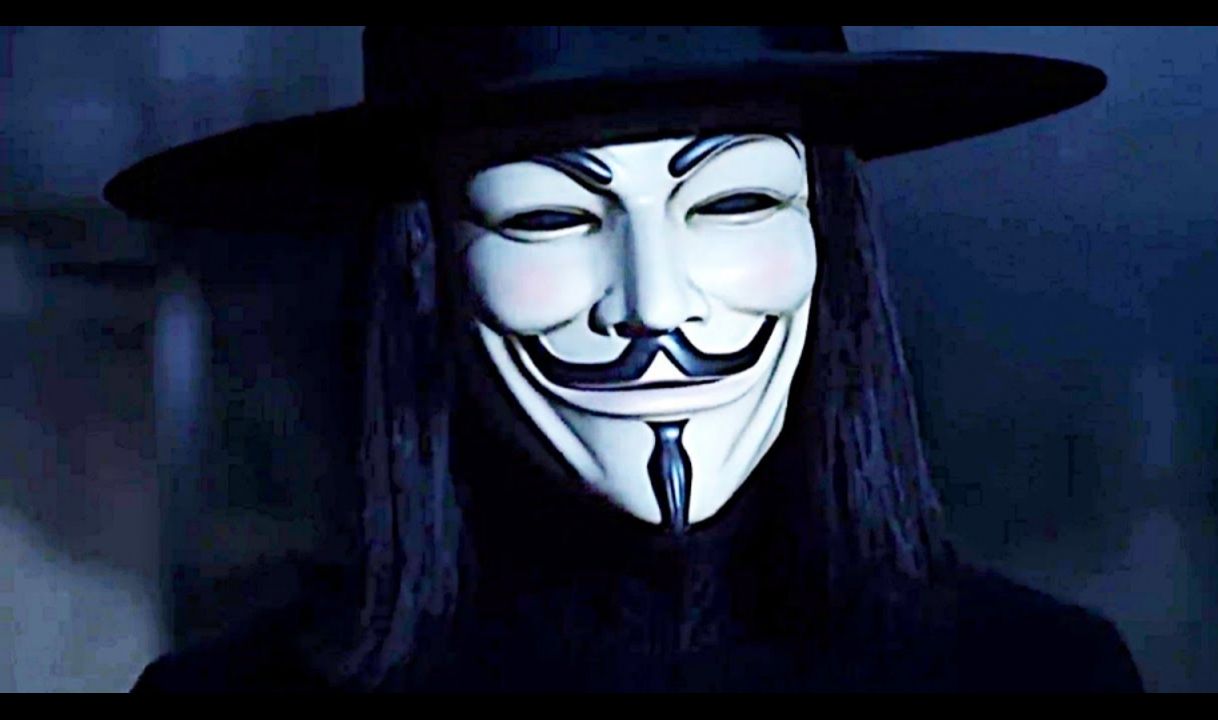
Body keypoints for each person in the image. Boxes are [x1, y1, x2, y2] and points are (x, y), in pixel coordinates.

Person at [106, 26, 1144, 692]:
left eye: (733, 202)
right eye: (549, 216)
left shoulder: (1038, 676)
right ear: (425, 265)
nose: (655, 306)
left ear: (830, 234)